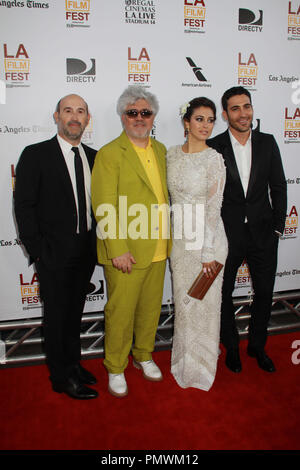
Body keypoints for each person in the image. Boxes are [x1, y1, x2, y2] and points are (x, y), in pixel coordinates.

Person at [14, 94, 98, 399]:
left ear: (87, 119)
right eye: (68, 111)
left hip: (86, 250)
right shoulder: (35, 154)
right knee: (57, 315)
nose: (74, 117)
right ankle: (60, 376)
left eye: (80, 111)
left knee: (74, 313)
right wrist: (37, 250)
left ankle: (73, 365)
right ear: (56, 116)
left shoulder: (94, 156)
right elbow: (24, 206)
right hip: (52, 253)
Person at [91, 85, 172, 397]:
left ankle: (142, 354)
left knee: (150, 309)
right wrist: (117, 249)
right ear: (122, 117)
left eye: (145, 112)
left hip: (159, 248)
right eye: (132, 112)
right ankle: (114, 365)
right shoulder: (110, 153)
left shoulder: (163, 150)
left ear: (153, 117)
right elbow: (104, 205)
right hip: (126, 251)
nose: (139, 118)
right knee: (120, 313)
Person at [208, 86, 287, 373]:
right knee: (223, 293)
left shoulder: (268, 142)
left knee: (265, 292)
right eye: (236, 108)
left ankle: (257, 345)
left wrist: (279, 228)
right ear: (226, 114)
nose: (243, 113)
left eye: (247, 106)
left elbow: (278, 186)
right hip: (227, 236)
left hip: (264, 234)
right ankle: (231, 346)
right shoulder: (214, 146)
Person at [167, 97, 228, 391]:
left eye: (211, 119)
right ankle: (183, 362)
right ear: (186, 122)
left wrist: (207, 253)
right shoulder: (170, 155)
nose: (206, 125)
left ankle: (202, 368)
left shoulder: (214, 159)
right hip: (180, 244)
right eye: (200, 119)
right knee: (185, 306)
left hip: (209, 247)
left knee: (204, 307)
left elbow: (214, 210)